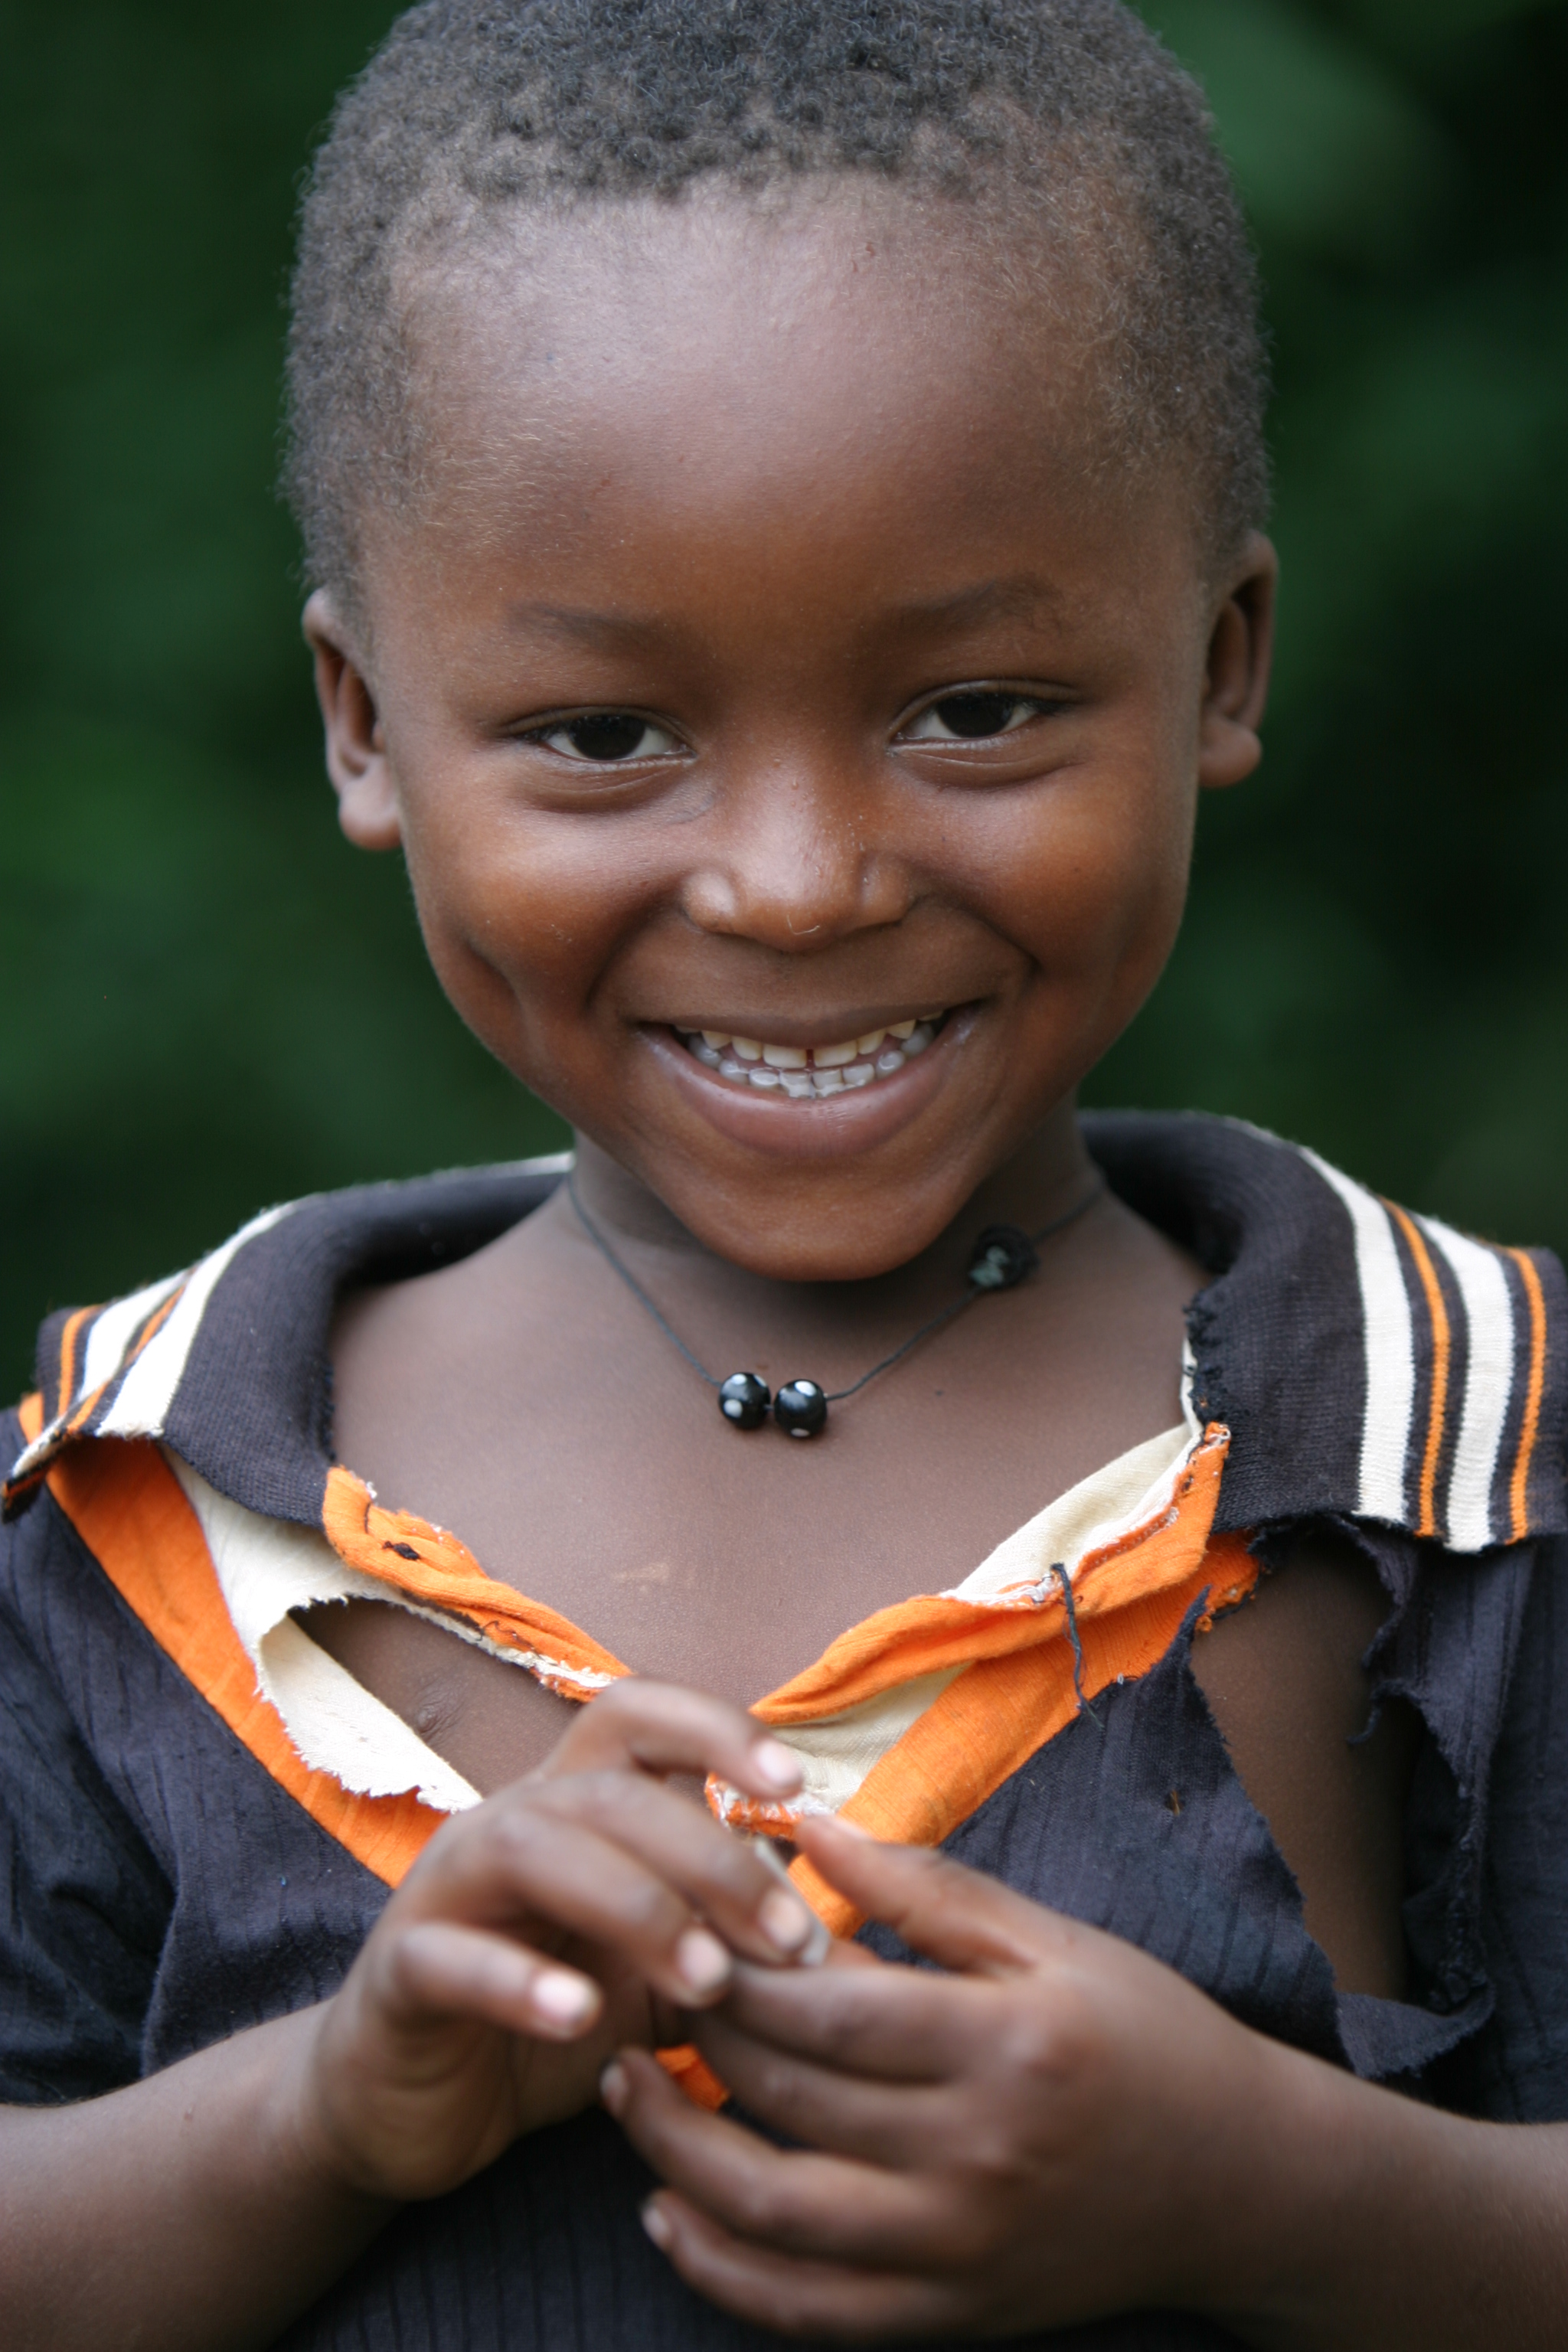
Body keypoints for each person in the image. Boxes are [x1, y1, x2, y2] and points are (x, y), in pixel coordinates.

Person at [3, 2, 1566, 2344]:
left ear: (1221, 661)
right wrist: (328, 2108)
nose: (801, 879)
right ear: (364, 727)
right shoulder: (124, 1504)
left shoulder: (1465, 1468)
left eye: (977, 710)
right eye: (605, 736)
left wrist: (1271, 2184)